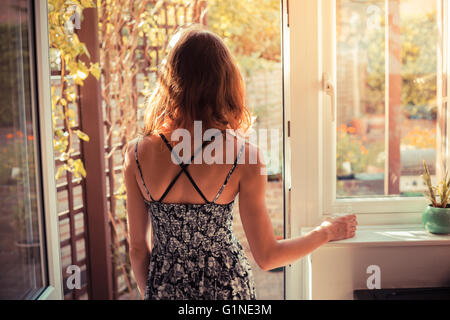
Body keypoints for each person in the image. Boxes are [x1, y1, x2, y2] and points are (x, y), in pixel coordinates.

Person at [123, 25, 357, 300]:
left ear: (171, 81)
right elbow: (268, 257)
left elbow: (138, 249)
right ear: (225, 83)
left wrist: (153, 292)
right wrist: (325, 233)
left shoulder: (136, 154)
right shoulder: (243, 157)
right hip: (227, 291)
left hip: (165, 290)